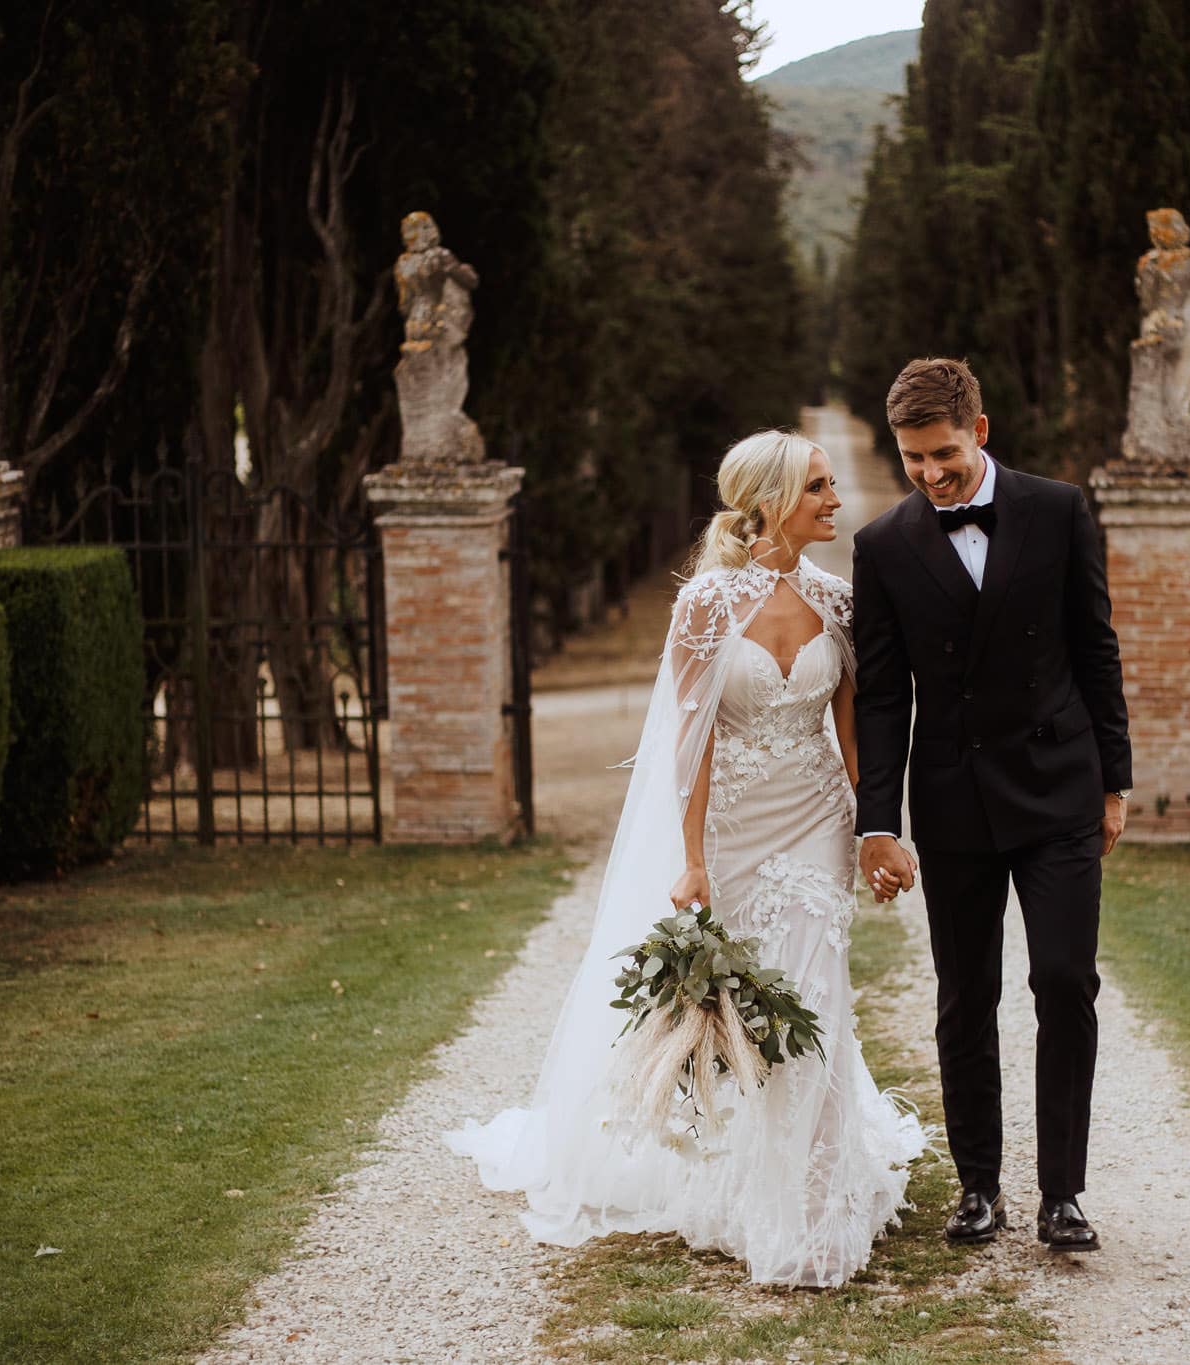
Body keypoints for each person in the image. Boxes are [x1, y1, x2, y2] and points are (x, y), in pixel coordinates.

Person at [447, 430, 923, 1289]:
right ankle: (738, 1172)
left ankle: (809, 1207)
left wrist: (874, 829)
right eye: (818, 486)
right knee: (748, 1014)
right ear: (773, 499)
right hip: (736, 829)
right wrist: (694, 857)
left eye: (830, 483)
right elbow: (692, 743)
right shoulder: (706, 604)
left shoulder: (839, 600)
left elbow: (853, 737)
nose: (833, 499)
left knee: (815, 996)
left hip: (815, 820)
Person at [852, 357, 1131, 1254]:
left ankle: (1063, 1195)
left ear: (980, 429)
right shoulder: (883, 545)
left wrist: (1114, 782)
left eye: (942, 455)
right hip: (954, 799)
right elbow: (883, 696)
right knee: (964, 994)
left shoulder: (1058, 510)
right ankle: (978, 1188)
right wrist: (878, 819)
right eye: (911, 460)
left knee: (1063, 981)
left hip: (1059, 790)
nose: (931, 476)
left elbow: (1097, 646)